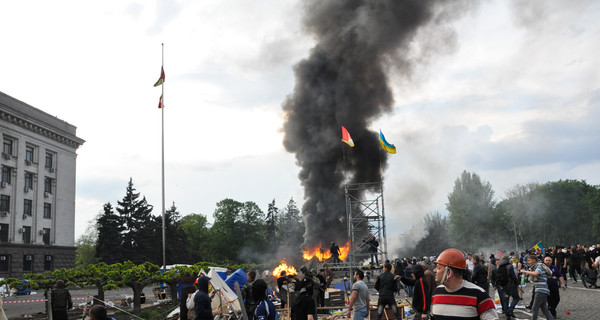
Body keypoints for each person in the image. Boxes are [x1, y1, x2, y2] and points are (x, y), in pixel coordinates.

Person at [430, 248, 498, 320]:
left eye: (438, 268)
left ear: (449, 272)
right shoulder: (437, 292)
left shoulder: (479, 294)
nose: (434, 270)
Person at [519, 254, 554, 320]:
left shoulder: (539, 266)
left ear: (534, 260)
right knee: (544, 308)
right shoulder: (536, 266)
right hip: (543, 289)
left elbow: (536, 273)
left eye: (529, 260)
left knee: (534, 308)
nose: (528, 262)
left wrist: (525, 271)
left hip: (541, 290)